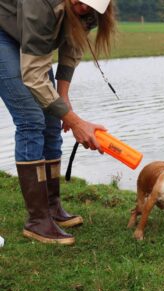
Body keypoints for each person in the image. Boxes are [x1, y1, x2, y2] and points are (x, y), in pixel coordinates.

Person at [0, 0, 116, 245]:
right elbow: (33, 76)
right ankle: (38, 220)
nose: (80, 4)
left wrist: (63, 99)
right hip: (3, 34)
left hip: (28, 37)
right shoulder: (41, 4)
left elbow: (71, 49)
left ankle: (51, 207)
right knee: (31, 119)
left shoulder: (92, 11)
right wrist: (74, 122)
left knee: (52, 117)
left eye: (89, 3)